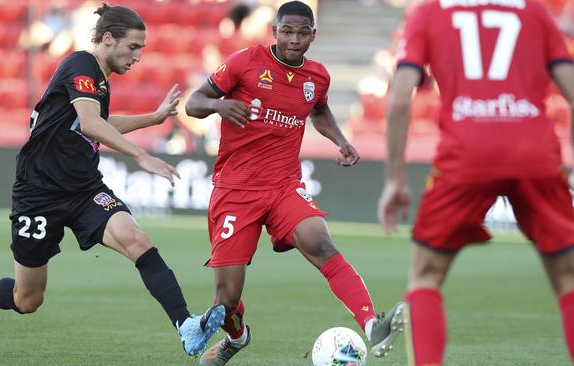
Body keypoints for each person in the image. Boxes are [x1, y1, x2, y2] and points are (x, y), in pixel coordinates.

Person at [0, 4, 225, 356]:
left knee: (137, 239)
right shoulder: (80, 64)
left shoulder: (99, 80)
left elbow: (97, 120)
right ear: (107, 39)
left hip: (84, 189)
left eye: (141, 49)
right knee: (27, 299)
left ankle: (186, 326)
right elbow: (89, 123)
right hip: (38, 193)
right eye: (133, 47)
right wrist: (142, 155)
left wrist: (154, 118)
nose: (138, 56)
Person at [185, 2, 405, 365]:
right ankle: (237, 339)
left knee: (322, 245)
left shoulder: (317, 76)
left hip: (285, 184)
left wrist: (341, 140)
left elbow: (319, 110)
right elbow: (195, 103)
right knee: (226, 301)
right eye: (287, 31)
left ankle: (371, 324)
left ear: (313, 35)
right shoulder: (245, 62)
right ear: (275, 30)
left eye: (303, 33)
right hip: (236, 190)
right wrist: (220, 107)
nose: (294, 39)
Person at [378, 0, 574, 365]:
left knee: (425, 275)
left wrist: (395, 180)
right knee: (567, 278)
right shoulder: (534, 11)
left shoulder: (429, 11)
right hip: (534, 151)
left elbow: (400, 100)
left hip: (466, 152)